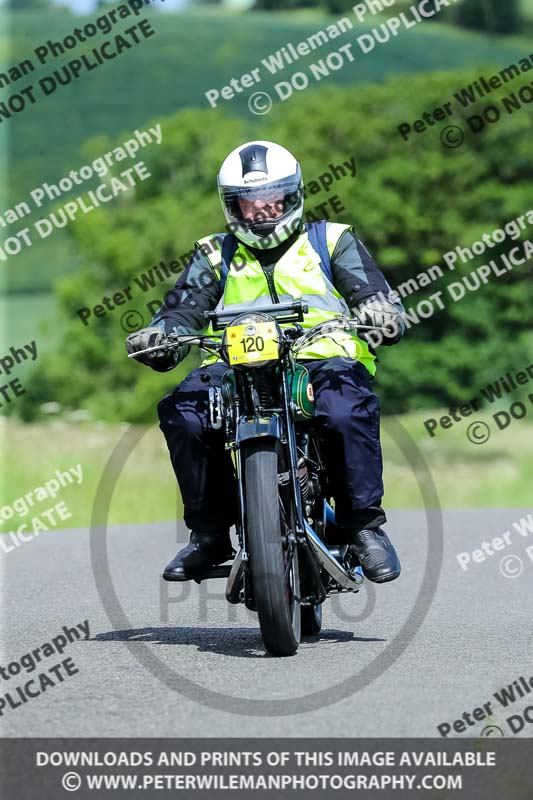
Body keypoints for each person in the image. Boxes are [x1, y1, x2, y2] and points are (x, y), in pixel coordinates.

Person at [126, 140, 405, 584]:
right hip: (233, 364)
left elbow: (372, 294)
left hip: (322, 356)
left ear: (292, 196)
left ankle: (363, 529)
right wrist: (162, 334)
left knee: (343, 411)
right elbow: (183, 309)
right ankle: (210, 535)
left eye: (271, 200)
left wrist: (380, 312)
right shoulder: (213, 253)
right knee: (185, 412)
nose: (260, 212)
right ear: (230, 206)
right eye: (247, 203)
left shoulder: (331, 240)